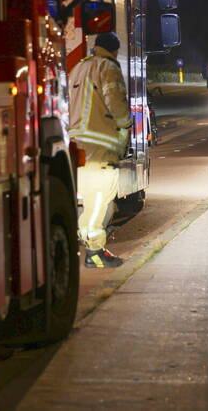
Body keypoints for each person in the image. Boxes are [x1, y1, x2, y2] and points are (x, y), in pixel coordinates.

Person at [67, 32, 131, 268]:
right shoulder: (108, 67)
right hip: (100, 144)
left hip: (78, 143)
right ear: (114, 50)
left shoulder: (78, 67)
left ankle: (88, 244)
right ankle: (94, 252)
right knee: (100, 198)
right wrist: (126, 125)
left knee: (88, 197)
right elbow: (115, 102)